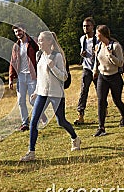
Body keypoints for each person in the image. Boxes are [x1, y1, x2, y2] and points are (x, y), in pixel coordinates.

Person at [20, 31, 81, 161]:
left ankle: (75, 138)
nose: (39, 42)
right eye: (38, 40)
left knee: (61, 121)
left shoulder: (57, 56)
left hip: (56, 94)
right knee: (34, 122)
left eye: (41, 40)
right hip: (42, 93)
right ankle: (31, 152)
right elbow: (40, 77)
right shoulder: (39, 55)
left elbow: (64, 77)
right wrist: (36, 91)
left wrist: (53, 67)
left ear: (49, 41)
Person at [9, 23, 47, 131]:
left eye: (19, 31)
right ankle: (25, 123)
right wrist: (11, 78)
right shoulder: (16, 46)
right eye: (16, 32)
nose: (18, 33)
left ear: (24, 30)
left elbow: (42, 54)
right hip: (21, 77)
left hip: (32, 76)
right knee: (21, 101)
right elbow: (12, 62)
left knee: (32, 100)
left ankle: (42, 116)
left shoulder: (32, 42)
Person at [92, 25, 124, 137]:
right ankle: (101, 128)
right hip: (102, 77)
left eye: (97, 33)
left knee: (117, 100)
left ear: (102, 34)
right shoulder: (98, 46)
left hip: (115, 77)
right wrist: (95, 70)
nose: (95, 35)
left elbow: (120, 63)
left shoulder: (115, 46)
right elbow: (97, 60)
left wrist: (110, 55)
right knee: (101, 101)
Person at [74, 17, 106, 125]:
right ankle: (80, 115)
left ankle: (104, 108)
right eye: (84, 26)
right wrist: (82, 54)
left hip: (98, 69)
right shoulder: (82, 39)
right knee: (83, 91)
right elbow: (84, 51)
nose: (85, 28)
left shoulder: (98, 39)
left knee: (100, 91)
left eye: (87, 26)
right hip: (87, 68)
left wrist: (97, 68)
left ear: (93, 27)